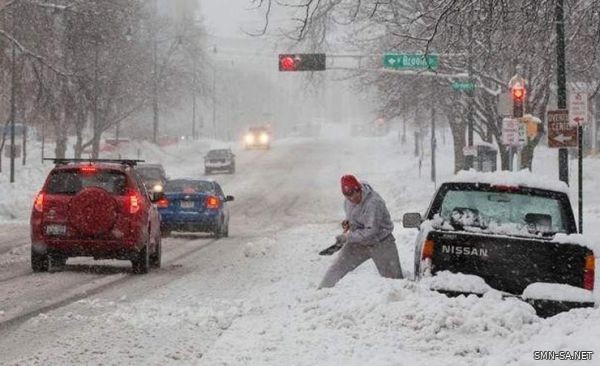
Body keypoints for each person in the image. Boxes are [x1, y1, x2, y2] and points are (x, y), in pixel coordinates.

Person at [319, 174, 403, 288]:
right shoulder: (348, 202)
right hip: (359, 244)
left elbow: (371, 231)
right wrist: (348, 223)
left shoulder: (373, 203)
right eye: (348, 196)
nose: (352, 198)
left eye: (354, 194)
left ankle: (401, 302)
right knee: (337, 268)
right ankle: (319, 295)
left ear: (359, 189)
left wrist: (347, 237)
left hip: (381, 243)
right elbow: (354, 218)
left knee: (395, 282)